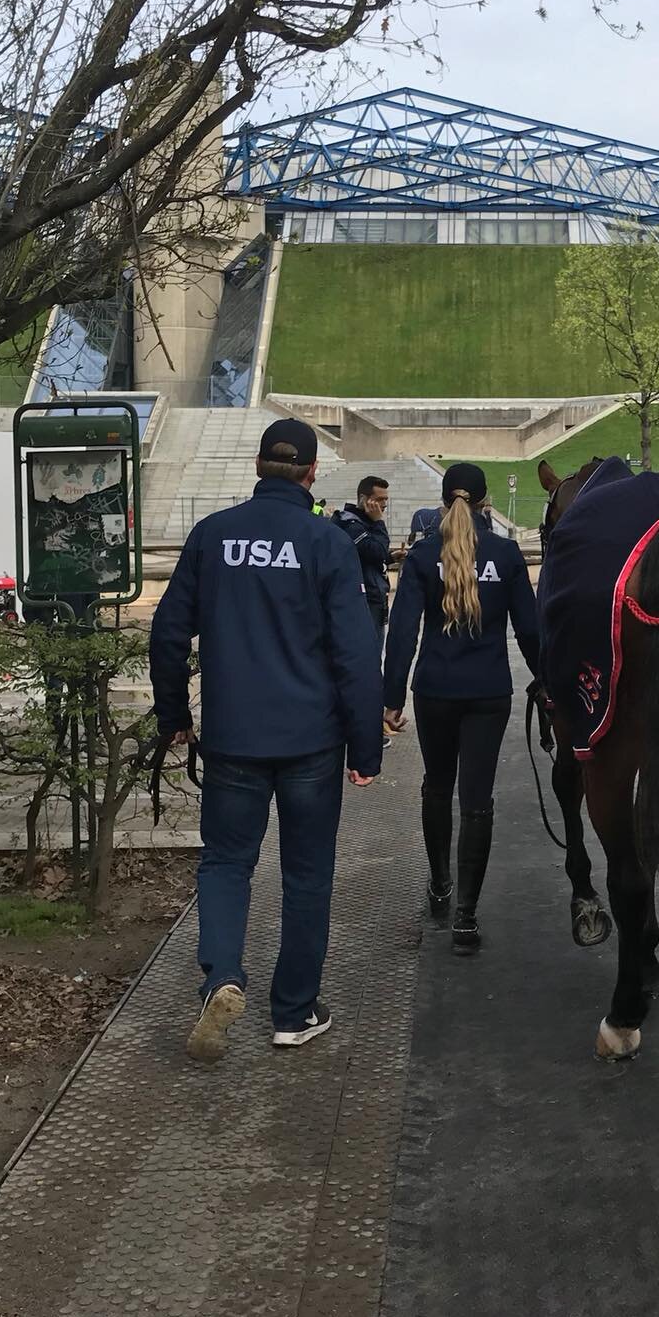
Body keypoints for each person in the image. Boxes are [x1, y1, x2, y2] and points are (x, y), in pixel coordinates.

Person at [150, 416, 383, 1062]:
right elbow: (356, 657)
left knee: (226, 861)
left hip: (231, 740)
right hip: (311, 743)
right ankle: (294, 1011)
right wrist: (366, 749)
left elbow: (168, 635)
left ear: (256, 466)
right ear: (312, 475)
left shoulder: (210, 537)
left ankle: (222, 975)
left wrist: (174, 715)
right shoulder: (327, 543)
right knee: (307, 875)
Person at [383, 462, 538, 953]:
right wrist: (549, 685)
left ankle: (439, 884)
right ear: (485, 503)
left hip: (436, 689)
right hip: (488, 691)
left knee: (436, 784)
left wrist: (390, 699)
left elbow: (403, 631)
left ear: (444, 499)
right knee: (477, 801)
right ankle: (467, 916)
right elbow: (531, 631)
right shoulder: (506, 554)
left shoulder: (424, 555)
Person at [333, 475, 391, 640]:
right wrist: (379, 522)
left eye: (386, 499)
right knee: (370, 655)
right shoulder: (351, 524)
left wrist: (390, 557)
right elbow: (376, 551)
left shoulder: (365, 522)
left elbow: (368, 556)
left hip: (373, 598)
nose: (384, 504)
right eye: (379, 499)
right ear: (364, 499)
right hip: (364, 601)